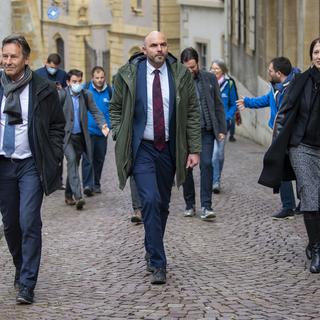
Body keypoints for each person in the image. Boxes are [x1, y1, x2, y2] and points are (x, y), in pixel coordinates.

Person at [110, 31, 201, 284]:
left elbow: (192, 112)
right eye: (154, 45)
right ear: (144, 50)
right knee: (148, 200)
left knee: (162, 205)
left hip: (170, 148)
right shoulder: (128, 75)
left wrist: (194, 149)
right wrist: (119, 132)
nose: (159, 49)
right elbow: (115, 107)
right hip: (142, 148)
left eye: (163, 44)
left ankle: (151, 249)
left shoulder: (180, 74)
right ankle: (159, 263)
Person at [0, 34, 65, 304]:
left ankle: (27, 283)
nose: (8, 61)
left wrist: (53, 155)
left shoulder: (43, 88)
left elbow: (57, 126)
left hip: (30, 164)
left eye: (13, 56)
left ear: (26, 58)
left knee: (29, 221)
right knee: (11, 225)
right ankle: (20, 266)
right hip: (3, 165)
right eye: (4, 56)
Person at [258, 37, 320, 273]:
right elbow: (284, 113)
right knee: (310, 196)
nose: (318, 55)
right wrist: (280, 146)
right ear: (311, 55)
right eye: (315, 51)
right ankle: (316, 250)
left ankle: (315, 241)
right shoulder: (301, 81)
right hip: (302, 147)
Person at [237, 57, 300, 220]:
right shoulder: (276, 86)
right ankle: (288, 206)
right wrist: (248, 102)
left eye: (270, 70)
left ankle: (300, 204)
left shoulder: (295, 87)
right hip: (278, 135)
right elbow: (268, 99)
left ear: (279, 73)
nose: (268, 72)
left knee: (299, 171)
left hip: (292, 137)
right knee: (282, 170)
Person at [180, 49, 226, 219]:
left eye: (193, 67)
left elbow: (218, 105)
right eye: (187, 68)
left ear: (198, 63)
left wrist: (221, 129)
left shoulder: (210, 78)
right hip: (185, 133)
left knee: (206, 164)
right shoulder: (178, 81)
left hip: (206, 130)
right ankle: (189, 204)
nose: (190, 71)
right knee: (186, 168)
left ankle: (206, 206)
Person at [62, 69, 109, 210]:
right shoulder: (62, 95)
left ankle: (68, 194)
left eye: (79, 81)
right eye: (74, 82)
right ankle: (78, 196)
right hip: (66, 137)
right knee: (71, 161)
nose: (77, 84)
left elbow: (95, 111)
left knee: (74, 165)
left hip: (80, 136)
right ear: (68, 82)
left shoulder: (86, 95)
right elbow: (52, 115)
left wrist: (103, 124)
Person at [81, 66, 112, 195]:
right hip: (87, 130)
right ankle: (87, 185)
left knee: (99, 159)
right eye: (97, 78)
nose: (99, 80)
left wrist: (110, 125)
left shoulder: (110, 91)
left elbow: (113, 108)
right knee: (87, 158)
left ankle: (96, 183)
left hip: (102, 132)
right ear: (92, 78)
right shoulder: (85, 88)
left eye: (102, 77)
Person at [209, 59, 237, 194]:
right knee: (213, 154)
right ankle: (215, 181)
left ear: (223, 70)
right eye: (212, 68)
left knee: (220, 154)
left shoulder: (229, 84)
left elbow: (233, 104)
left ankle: (216, 178)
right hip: (209, 124)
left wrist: (228, 117)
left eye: (217, 69)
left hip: (222, 124)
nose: (214, 71)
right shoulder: (207, 82)